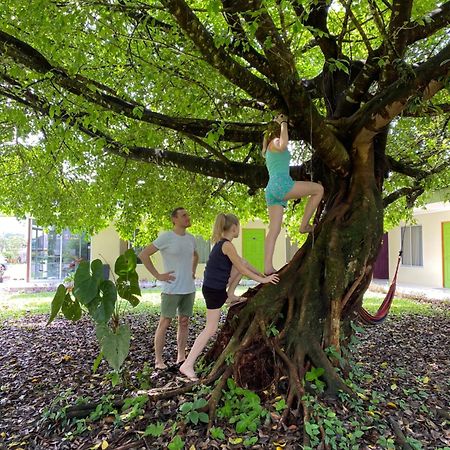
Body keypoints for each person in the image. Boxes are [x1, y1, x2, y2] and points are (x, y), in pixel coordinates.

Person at [179, 213, 279, 381]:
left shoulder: (223, 244)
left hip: (217, 288)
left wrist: (262, 274)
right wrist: (264, 279)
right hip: (213, 291)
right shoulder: (227, 246)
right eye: (239, 226)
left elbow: (244, 264)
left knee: (244, 262)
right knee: (210, 329)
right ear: (234, 228)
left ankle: (230, 295)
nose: (239, 229)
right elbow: (243, 269)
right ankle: (187, 364)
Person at [263, 114, 324, 275]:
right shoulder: (275, 143)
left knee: (274, 229)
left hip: (271, 190)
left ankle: (267, 267)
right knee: (318, 190)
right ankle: (304, 226)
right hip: (281, 185)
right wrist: (283, 122)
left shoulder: (267, 150)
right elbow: (283, 144)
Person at [139, 207, 199, 370]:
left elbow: (196, 255)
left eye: (188, 214)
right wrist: (158, 275)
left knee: (184, 322)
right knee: (165, 322)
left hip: (188, 288)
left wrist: (192, 271)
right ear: (174, 219)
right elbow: (144, 255)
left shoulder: (191, 238)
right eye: (184, 215)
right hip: (171, 288)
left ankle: (181, 356)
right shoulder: (166, 237)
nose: (188, 217)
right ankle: (158, 360)